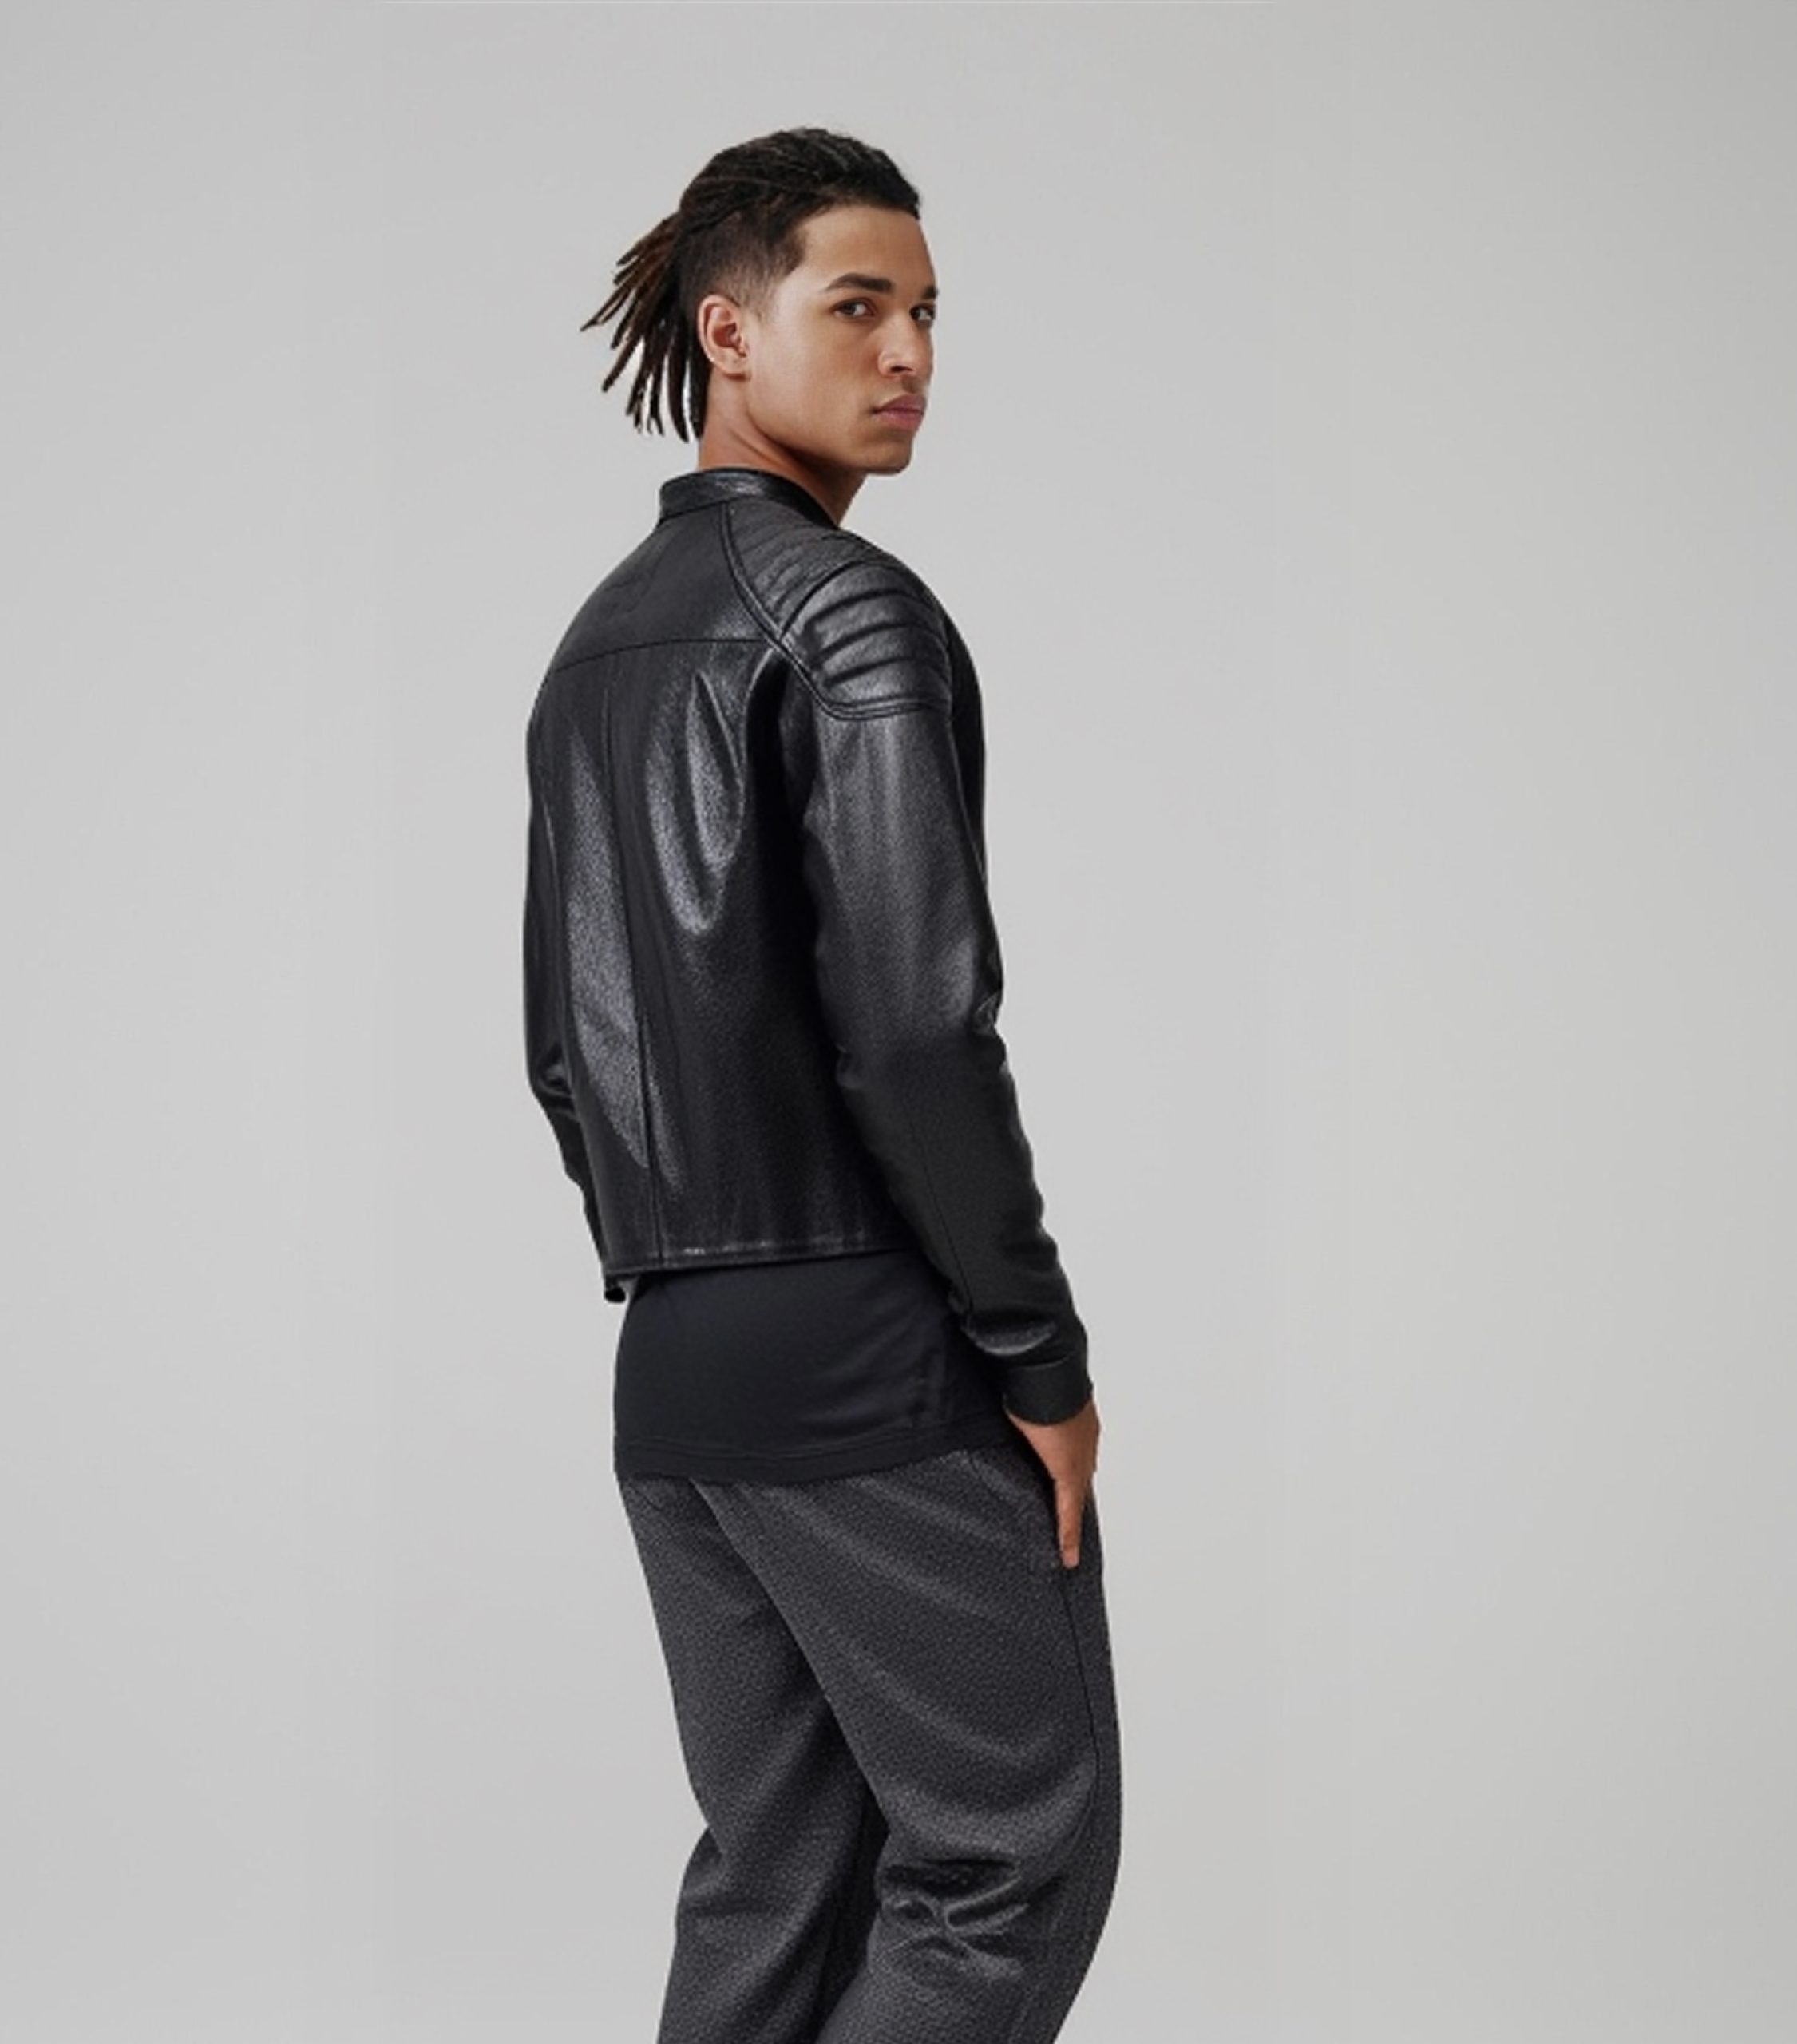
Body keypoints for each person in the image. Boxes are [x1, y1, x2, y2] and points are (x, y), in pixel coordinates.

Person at [523, 125, 1122, 2044]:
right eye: (856, 306)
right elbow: (919, 1030)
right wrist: (1036, 1356)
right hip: (871, 1358)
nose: (909, 354)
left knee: (779, 1878)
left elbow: (565, 1049)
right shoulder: (849, 614)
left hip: (676, 1373)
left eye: (928, 313)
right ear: (727, 329)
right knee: (1002, 1861)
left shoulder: (594, 644)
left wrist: (694, 1267)